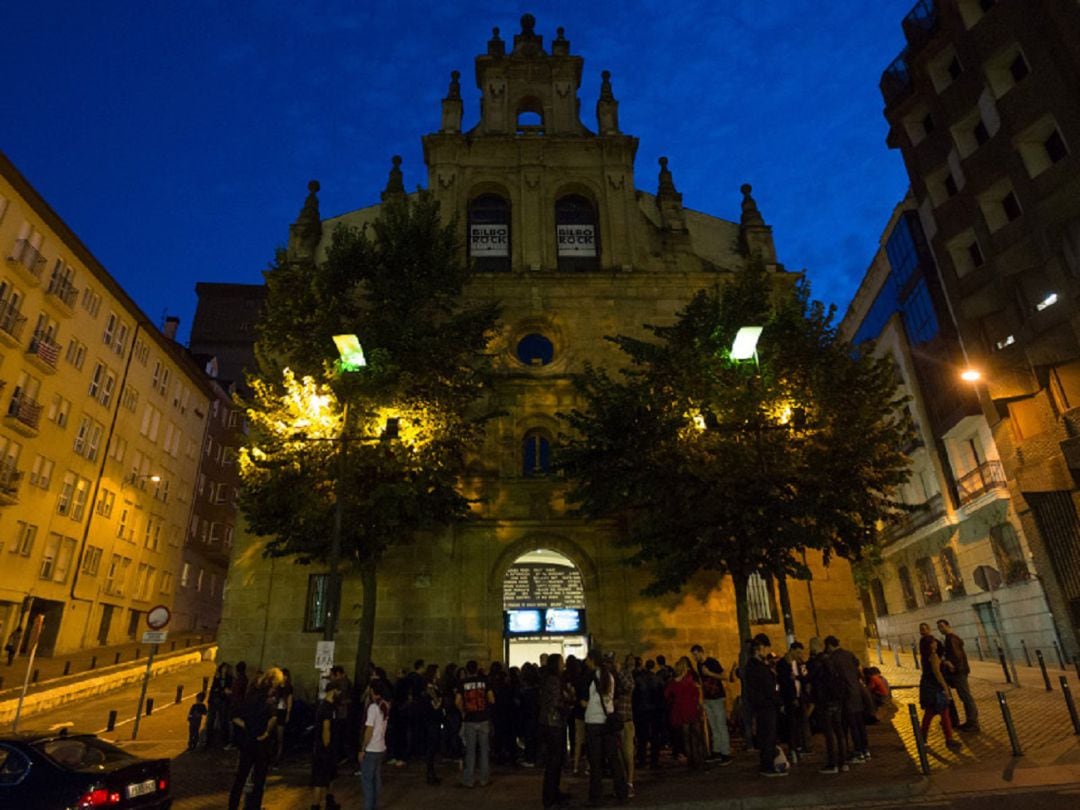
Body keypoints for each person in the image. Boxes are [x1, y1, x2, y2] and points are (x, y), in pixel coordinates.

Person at [227, 667, 285, 810]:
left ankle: (233, 806)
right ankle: (254, 806)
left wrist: (247, 726)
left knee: (241, 776)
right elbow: (273, 718)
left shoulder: (251, 696)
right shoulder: (269, 699)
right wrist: (266, 732)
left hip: (248, 740)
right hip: (260, 742)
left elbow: (235, 716)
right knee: (259, 780)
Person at [584, 652, 629, 807]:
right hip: (607, 721)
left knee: (595, 762)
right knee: (613, 758)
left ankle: (596, 796)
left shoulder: (590, 677)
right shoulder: (610, 676)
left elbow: (584, 700)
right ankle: (622, 791)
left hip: (593, 721)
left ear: (592, 661)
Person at [745, 634, 787, 777]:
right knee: (768, 736)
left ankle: (767, 764)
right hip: (766, 705)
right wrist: (778, 701)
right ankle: (767, 766)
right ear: (759, 649)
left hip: (763, 705)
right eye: (764, 648)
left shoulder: (754, 666)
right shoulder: (757, 667)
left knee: (767, 735)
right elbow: (768, 688)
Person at [824, 636, 870, 763]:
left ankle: (858, 752)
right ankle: (865, 750)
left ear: (829, 646)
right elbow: (859, 669)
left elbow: (833, 678)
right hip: (856, 692)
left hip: (846, 695)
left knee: (852, 724)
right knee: (860, 723)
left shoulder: (833, 659)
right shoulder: (849, 654)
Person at [918, 623, 961, 751]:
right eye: (933, 643)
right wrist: (946, 688)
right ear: (930, 645)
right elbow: (937, 674)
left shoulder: (927, 657)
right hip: (934, 688)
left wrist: (945, 662)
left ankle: (944, 739)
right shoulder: (933, 656)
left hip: (928, 686)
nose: (935, 643)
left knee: (940, 713)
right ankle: (929, 739)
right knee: (934, 713)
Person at [807, 636, 847, 774]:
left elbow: (811, 678)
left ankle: (832, 763)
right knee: (839, 731)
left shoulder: (816, 661)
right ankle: (843, 762)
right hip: (836, 699)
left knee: (829, 733)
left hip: (825, 701)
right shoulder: (830, 659)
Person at [538, 653, 572, 810]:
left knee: (555, 761)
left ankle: (554, 793)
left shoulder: (549, 679)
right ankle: (550, 797)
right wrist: (568, 705)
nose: (563, 665)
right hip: (554, 723)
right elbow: (556, 702)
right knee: (554, 762)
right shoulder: (554, 680)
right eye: (561, 662)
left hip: (551, 723)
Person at [691, 643, 732, 764]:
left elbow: (724, 676)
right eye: (694, 655)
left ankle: (726, 753)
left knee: (720, 725)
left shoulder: (712, 662)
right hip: (708, 698)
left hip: (717, 697)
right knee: (714, 726)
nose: (695, 657)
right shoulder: (699, 665)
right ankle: (717, 751)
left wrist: (710, 674)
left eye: (696, 654)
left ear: (701, 652)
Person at [455, 659, 494, 788]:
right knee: (484, 750)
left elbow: (458, 701)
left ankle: (469, 780)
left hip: (470, 720)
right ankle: (484, 779)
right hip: (483, 719)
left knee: (470, 751)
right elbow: (491, 699)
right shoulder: (485, 682)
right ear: (477, 669)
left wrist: (463, 712)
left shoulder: (462, 683)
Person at [665, 656, 706, 769]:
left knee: (686, 737)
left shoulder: (674, 681)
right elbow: (698, 694)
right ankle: (699, 760)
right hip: (693, 709)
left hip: (681, 711)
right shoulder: (690, 679)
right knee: (696, 736)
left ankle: (691, 762)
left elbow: (667, 694)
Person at [937, 618, 978, 731]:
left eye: (942, 626)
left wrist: (950, 664)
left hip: (958, 672)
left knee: (965, 696)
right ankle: (968, 721)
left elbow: (957, 655)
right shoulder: (950, 638)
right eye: (939, 627)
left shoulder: (951, 639)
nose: (940, 629)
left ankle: (973, 722)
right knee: (964, 696)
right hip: (958, 671)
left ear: (948, 625)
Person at [359, 680, 391, 810]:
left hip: (371, 747)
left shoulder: (373, 707)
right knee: (376, 778)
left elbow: (369, 730)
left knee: (367, 781)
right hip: (381, 747)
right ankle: (375, 805)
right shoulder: (385, 705)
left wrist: (362, 748)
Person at [310, 682, 341, 810]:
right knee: (319, 779)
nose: (340, 693)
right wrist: (327, 746)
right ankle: (316, 805)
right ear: (333, 691)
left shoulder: (332, 706)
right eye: (338, 691)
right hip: (324, 749)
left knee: (330, 775)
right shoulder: (326, 708)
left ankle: (329, 800)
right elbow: (325, 729)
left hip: (329, 748)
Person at [616, 654, 637, 795]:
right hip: (614, 721)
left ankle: (629, 783)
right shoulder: (609, 677)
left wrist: (619, 674)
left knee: (628, 754)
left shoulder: (624, 675)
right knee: (617, 756)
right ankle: (622, 783)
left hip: (625, 719)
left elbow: (630, 687)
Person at [420, 664, 443, 784]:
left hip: (433, 719)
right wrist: (440, 702)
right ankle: (430, 774)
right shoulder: (430, 688)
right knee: (431, 747)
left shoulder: (433, 686)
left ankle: (431, 773)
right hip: (432, 720)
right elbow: (435, 704)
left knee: (432, 747)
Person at [207, 662, 233, 747]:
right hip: (215, 701)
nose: (224, 670)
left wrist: (221, 691)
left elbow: (226, 690)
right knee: (210, 721)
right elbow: (214, 689)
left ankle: (224, 741)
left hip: (223, 701)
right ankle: (208, 741)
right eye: (223, 668)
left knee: (223, 721)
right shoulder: (217, 678)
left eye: (226, 668)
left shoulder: (229, 678)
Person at [275, 667, 294, 765]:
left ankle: (279, 754)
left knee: (280, 735)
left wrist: (288, 714)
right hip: (276, 711)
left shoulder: (288, 688)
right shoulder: (277, 687)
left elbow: (289, 701)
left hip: (282, 711)